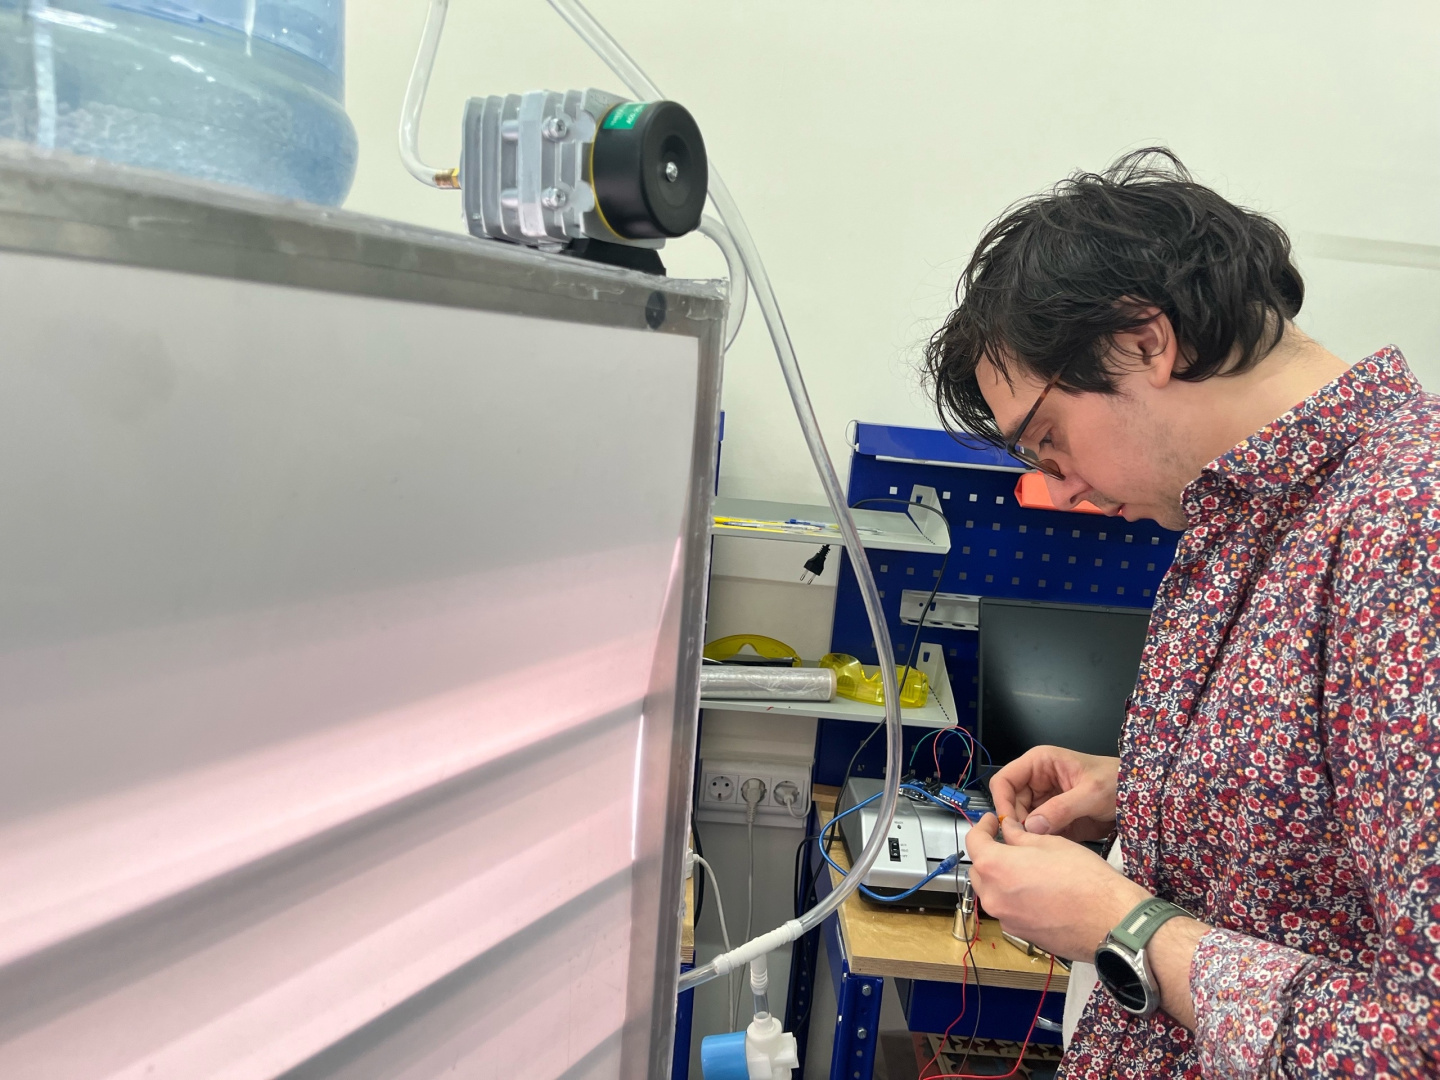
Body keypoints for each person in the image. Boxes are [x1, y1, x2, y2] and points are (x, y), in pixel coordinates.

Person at [923, 148, 1440, 1077]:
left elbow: (1422, 1037)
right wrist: (1152, 789)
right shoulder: (1239, 515)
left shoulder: (1410, 526)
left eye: (1049, 439)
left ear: (1145, 343)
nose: (1061, 488)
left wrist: (1127, 930)